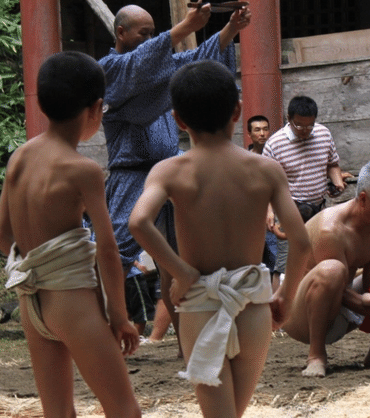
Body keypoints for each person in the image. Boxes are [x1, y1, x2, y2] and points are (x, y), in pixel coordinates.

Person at [128, 60, 310, 418]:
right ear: (237, 111)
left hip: (200, 303)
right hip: (254, 304)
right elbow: (301, 241)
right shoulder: (265, 170)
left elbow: (138, 223)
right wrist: (285, 296)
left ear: (179, 119)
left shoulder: (170, 170)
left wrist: (181, 272)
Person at [0, 51, 141, 418]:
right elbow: (107, 248)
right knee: (124, 411)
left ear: (41, 102)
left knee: (58, 413)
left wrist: (36, 266)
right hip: (72, 303)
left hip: (32, 304)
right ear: (97, 108)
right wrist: (118, 316)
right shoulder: (83, 169)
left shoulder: (20, 157)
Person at [99, 3, 251, 338]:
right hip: (131, 173)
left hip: (170, 170)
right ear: (120, 33)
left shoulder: (161, 65)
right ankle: (102, 327)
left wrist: (229, 31)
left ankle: (187, 339)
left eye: (154, 33)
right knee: (118, 251)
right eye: (145, 33)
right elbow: (138, 68)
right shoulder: (110, 70)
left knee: (179, 255)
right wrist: (183, 28)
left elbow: (190, 65)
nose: (152, 39)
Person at [281, 159, 370, 377]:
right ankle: (316, 355)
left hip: (344, 306)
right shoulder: (330, 229)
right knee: (332, 270)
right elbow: (337, 286)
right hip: (301, 315)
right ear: (363, 199)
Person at [263, 95, 347, 283]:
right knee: (284, 265)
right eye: (299, 126)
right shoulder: (275, 144)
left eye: (309, 126)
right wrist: (269, 212)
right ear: (289, 118)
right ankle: (280, 311)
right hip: (289, 210)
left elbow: (332, 164)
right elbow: (266, 184)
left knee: (319, 258)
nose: (305, 131)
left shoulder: (324, 134)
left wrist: (337, 181)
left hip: (319, 208)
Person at [246, 115, 278, 289]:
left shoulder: (276, 157)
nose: (262, 134)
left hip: (274, 217)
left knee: (275, 261)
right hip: (251, 220)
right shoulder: (244, 160)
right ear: (249, 134)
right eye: (257, 130)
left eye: (265, 129)